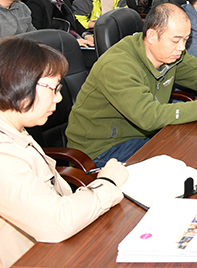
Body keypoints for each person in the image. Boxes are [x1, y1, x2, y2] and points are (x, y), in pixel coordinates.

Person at [66, 3, 197, 167]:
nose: (182, 47)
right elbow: (149, 117)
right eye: (176, 40)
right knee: (192, 158)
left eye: (185, 40)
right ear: (151, 36)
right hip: (102, 150)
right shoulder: (118, 65)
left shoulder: (170, 54)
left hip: (143, 134)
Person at [0, 37, 128, 267]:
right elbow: (56, 222)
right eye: (53, 88)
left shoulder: (15, 128)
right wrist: (107, 183)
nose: (59, 97)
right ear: (20, 83)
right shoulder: (3, 154)